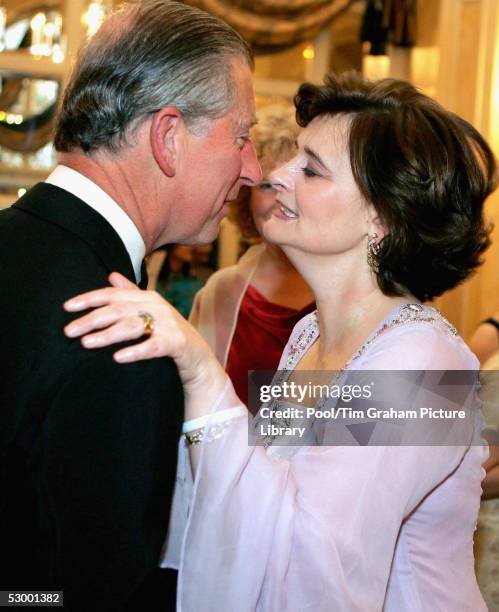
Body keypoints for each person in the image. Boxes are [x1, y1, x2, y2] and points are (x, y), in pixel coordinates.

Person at [64, 73, 496, 610]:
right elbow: (264, 490)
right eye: (292, 157)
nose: (276, 176)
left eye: (310, 169)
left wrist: (204, 373)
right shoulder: (307, 334)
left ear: (380, 216)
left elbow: (318, 567)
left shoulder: (420, 366)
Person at [0, 1, 260, 610]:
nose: (256, 170)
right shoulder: (122, 324)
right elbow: (83, 591)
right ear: (168, 137)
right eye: (243, 137)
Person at [190, 104, 315, 405]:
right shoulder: (220, 294)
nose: (281, 199)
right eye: (267, 185)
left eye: (296, 184)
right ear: (245, 197)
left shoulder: (350, 291)